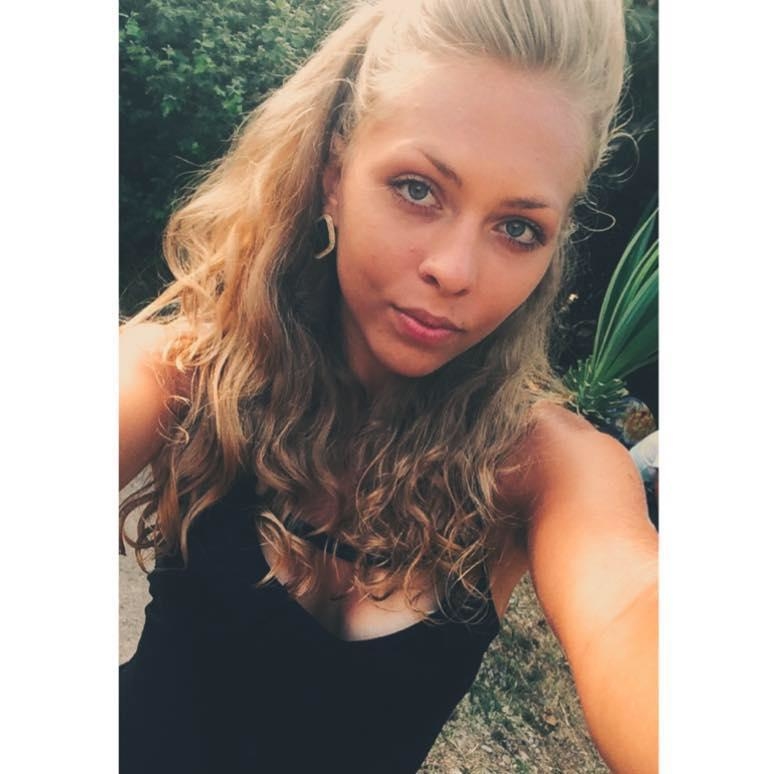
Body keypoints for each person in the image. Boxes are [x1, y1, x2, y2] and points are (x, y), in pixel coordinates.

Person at [119, 1, 658, 772]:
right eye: (417, 188)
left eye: (517, 228)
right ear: (333, 178)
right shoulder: (188, 374)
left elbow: (634, 604)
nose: (455, 270)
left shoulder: (541, 471)